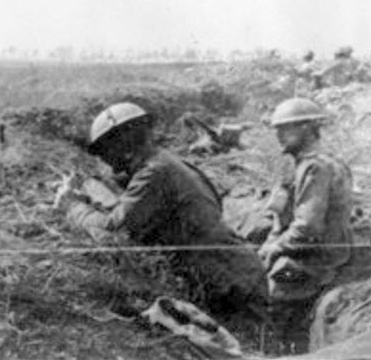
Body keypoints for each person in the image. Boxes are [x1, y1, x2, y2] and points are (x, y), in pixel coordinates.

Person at [56, 102, 267, 315]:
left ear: (122, 142)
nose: (103, 157)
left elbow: (114, 232)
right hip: (239, 275)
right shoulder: (166, 162)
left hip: (233, 289)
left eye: (104, 148)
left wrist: (71, 206)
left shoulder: (154, 174)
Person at [258, 98, 353, 353]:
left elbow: (307, 229)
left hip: (318, 256)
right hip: (312, 248)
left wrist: (274, 248)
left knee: (272, 303)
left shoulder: (316, 167)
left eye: (285, 128)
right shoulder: (304, 163)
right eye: (277, 129)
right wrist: (272, 241)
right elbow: (280, 216)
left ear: (308, 128)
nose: (279, 135)